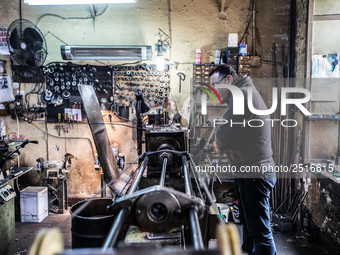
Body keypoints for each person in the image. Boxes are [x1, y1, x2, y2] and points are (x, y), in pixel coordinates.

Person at [210, 65, 277, 255]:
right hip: (252, 172)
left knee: (260, 234)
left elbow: (225, 133)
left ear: (229, 80)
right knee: (250, 229)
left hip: (255, 173)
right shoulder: (244, 92)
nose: (213, 91)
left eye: (216, 85)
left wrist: (218, 143)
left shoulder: (242, 96)